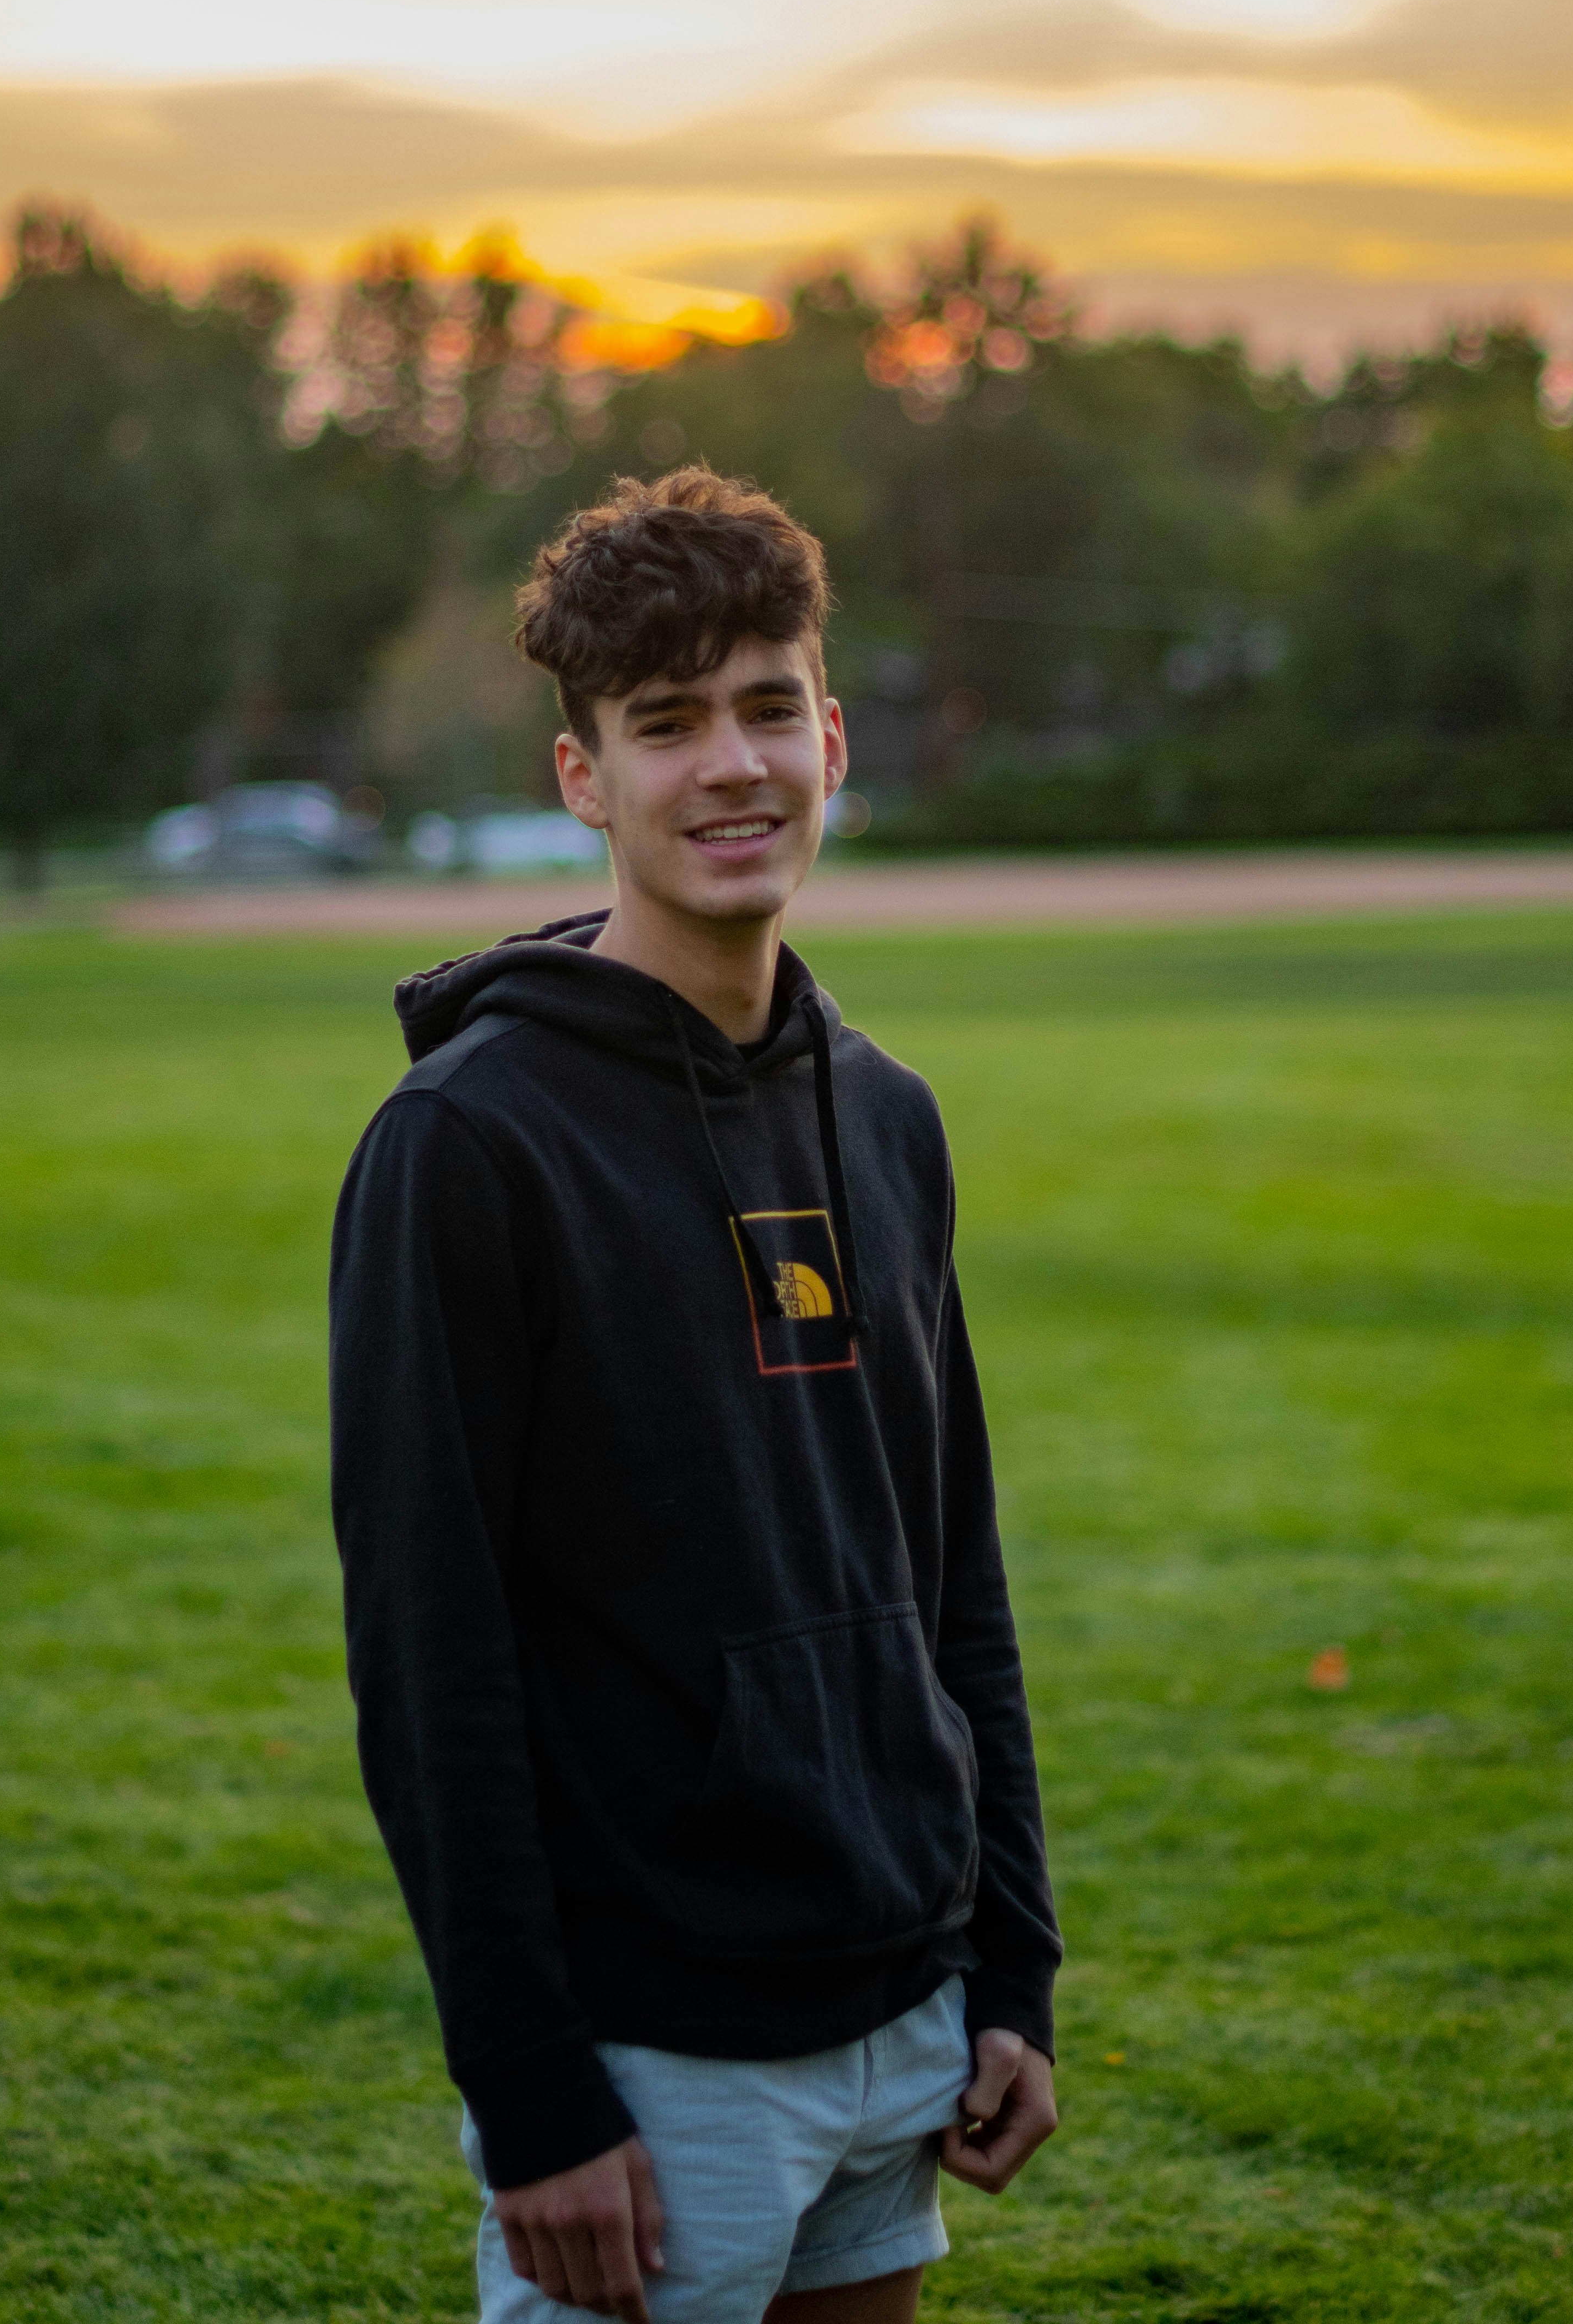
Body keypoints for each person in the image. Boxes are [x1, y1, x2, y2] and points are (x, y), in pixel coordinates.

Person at [329, 468, 1061, 2324]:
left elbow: (952, 1573)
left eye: (763, 710)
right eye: (666, 725)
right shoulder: (467, 1146)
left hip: (901, 2012)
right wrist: (533, 2093)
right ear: (585, 776)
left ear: (828, 734)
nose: (730, 767)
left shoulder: (890, 1115)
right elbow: (435, 1657)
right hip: (656, 2066)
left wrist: (1011, 1970)